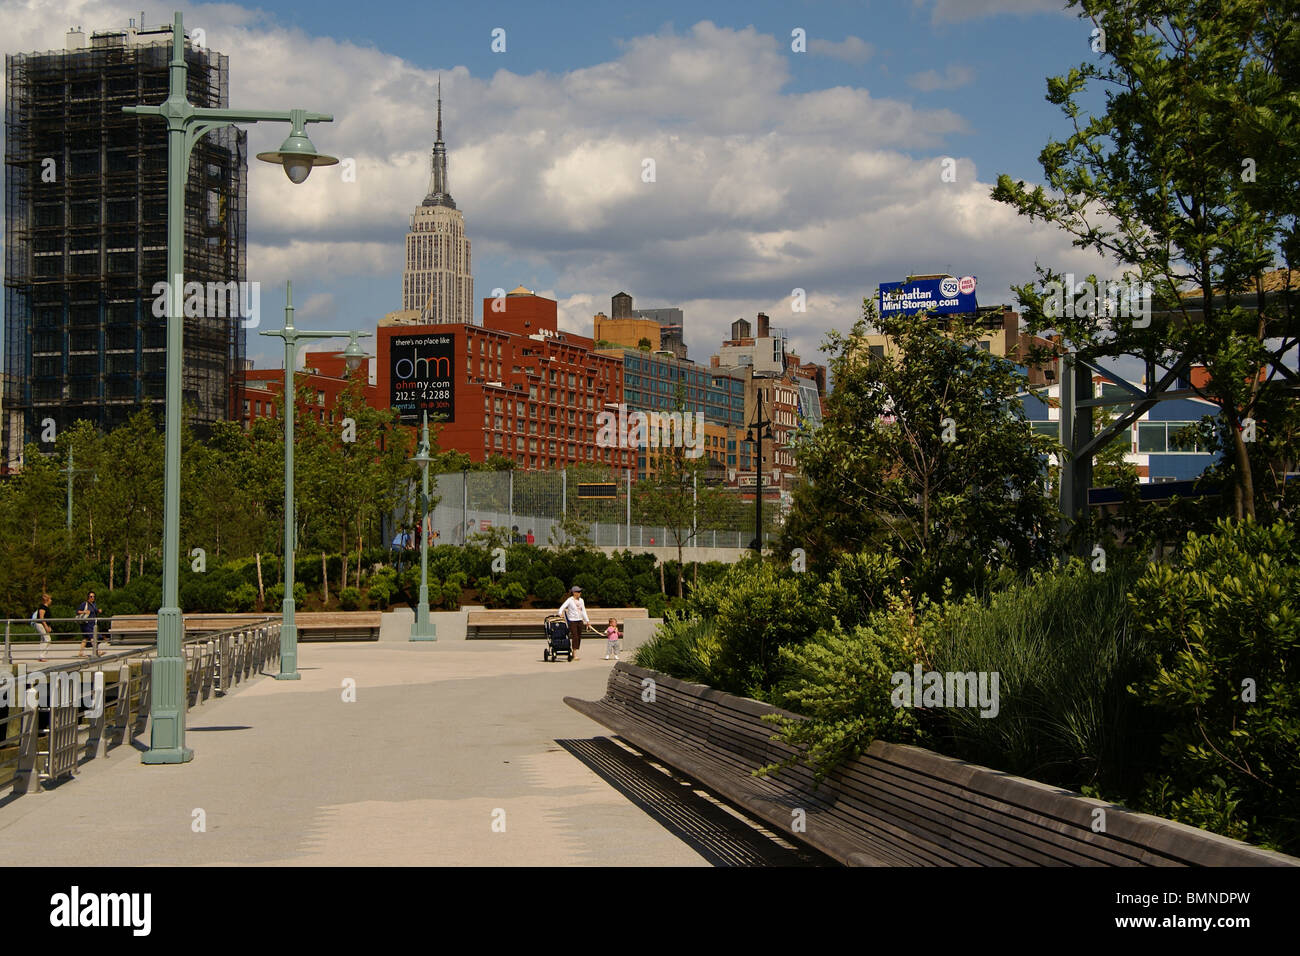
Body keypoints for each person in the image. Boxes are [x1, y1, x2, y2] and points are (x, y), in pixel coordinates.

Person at [557, 585, 590, 661]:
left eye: (580, 592)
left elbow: (583, 611)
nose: (579, 593)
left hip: (580, 620)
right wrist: (560, 613)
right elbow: (562, 607)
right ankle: (575, 654)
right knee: (575, 636)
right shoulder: (570, 600)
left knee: (578, 636)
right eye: (578, 592)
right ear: (574, 593)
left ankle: (574, 650)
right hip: (572, 621)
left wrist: (587, 620)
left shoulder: (581, 600)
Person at [77, 590, 99, 658]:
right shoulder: (84, 604)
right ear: (88, 597)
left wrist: (98, 611)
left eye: (93, 596)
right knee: (92, 637)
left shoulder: (94, 604)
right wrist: (84, 611)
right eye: (91, 596)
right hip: (86, 623)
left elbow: (95, 612)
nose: (92, 598)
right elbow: (78, 611)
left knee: (85, 638)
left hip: (92, 624)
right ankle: (97, 651)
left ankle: (80, 652)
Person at [32, 592, 52, 662]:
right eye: (50, 599)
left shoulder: (46, 607)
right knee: (47, 639)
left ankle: (41, 656)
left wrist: (49, 626)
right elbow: (41, 617)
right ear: (47, 600)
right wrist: (46, 626)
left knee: (43, 640)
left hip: (43, 625)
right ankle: (42, 656)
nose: (51, 601)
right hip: (40, 625)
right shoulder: (42, 607)